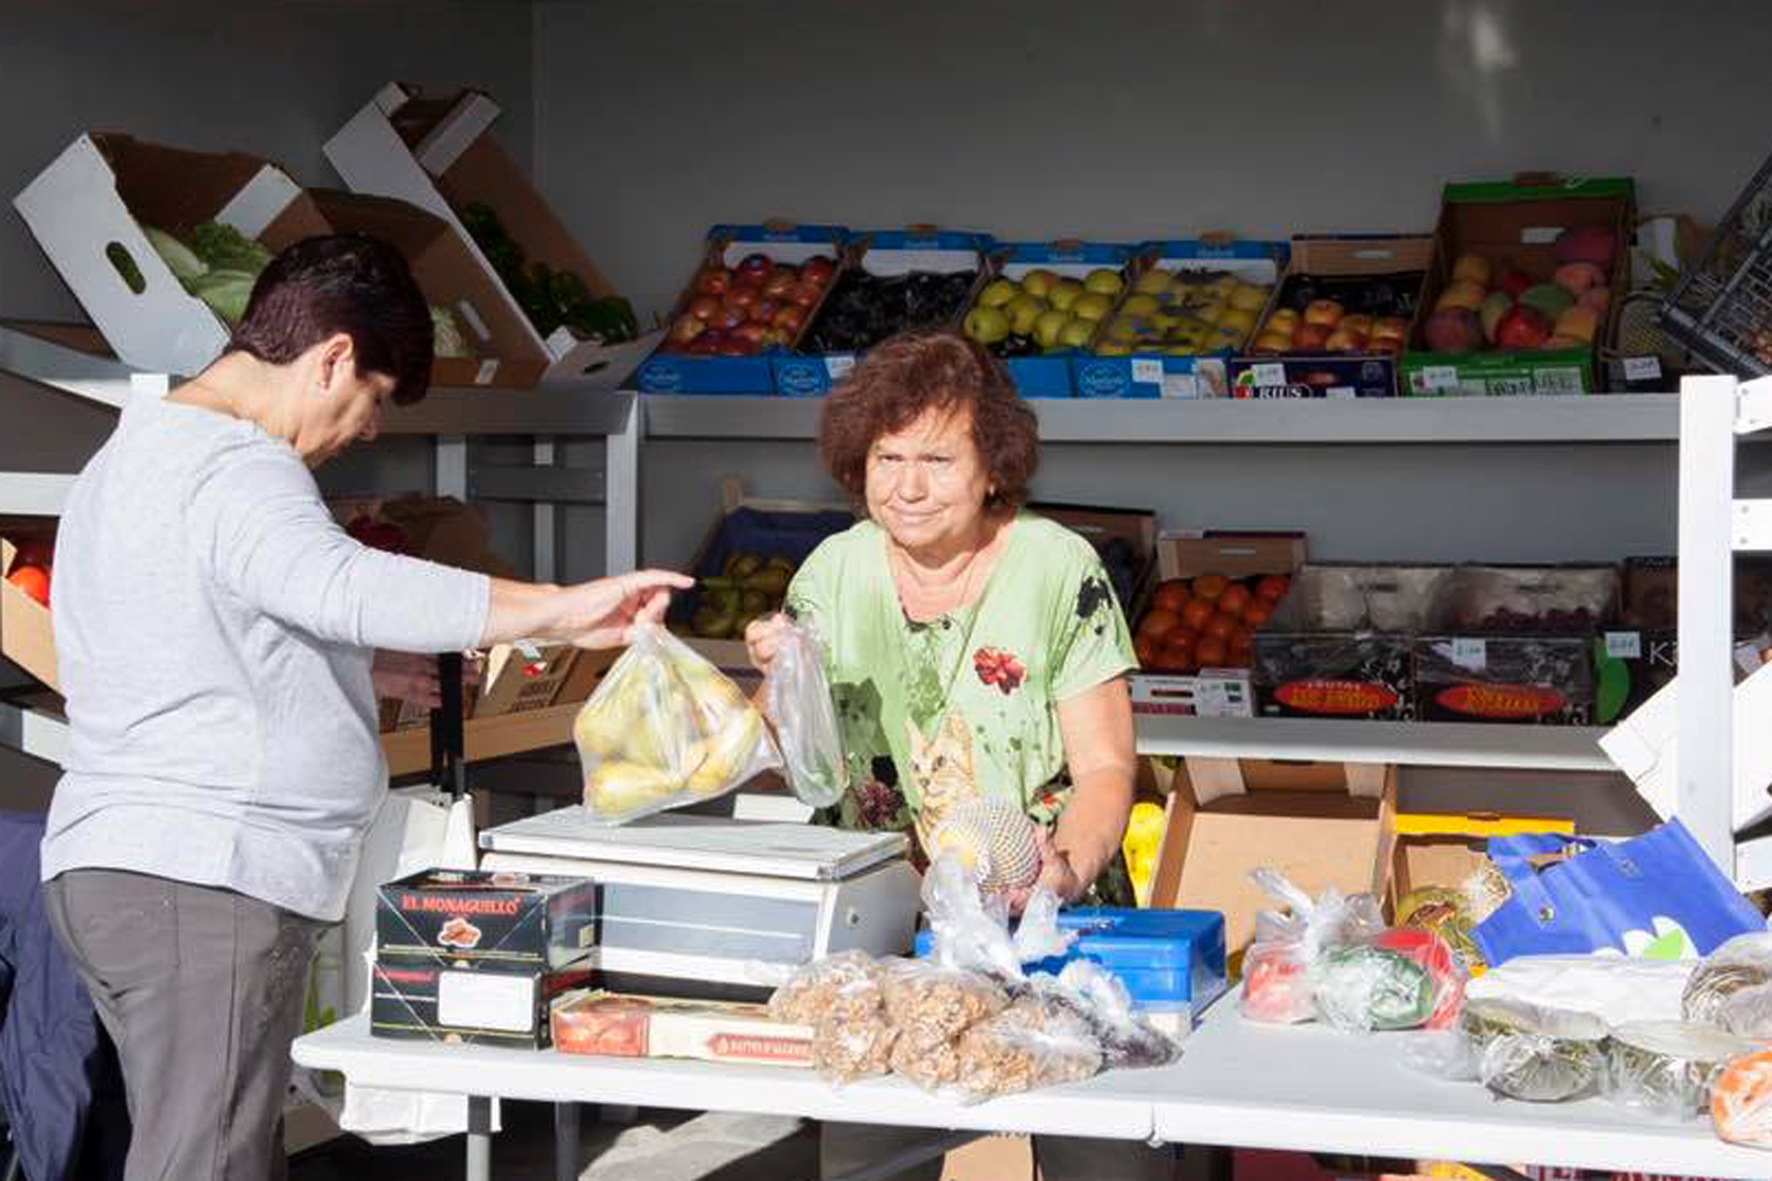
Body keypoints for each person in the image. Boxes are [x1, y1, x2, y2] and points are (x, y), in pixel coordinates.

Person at [38, 234, 690, 1181]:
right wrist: (557, 607)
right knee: (206, 1164)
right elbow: (342, 582)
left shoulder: (136, 453)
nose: (370, 428)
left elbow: (181, 634)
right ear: (332, 356)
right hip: (204, 876)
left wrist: (351, 671)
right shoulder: (238, 465)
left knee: (215, 1150)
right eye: (375, 397)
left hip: (129, 868)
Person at [745, 329, 1166, 1181]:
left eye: (936, 459)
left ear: (994, 467)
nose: (906, 486)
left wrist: (1062, 873)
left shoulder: (1057, 568)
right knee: (871, 1154)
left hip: (1050, 922)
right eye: (886, 457)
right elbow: (786, 756)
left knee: (1098, 1154)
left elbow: (1107, 767)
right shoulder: (833, 570)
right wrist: (775, 680)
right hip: (888, 930)